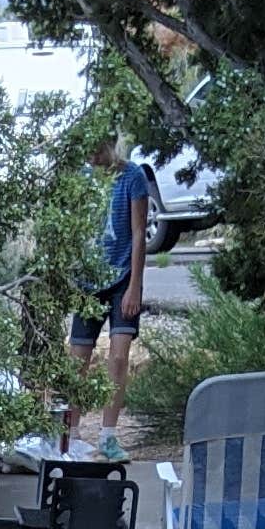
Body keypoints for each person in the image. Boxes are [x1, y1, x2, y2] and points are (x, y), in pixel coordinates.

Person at [61, 139, 155, 456]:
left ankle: (108, 435)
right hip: (89, 280)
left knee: (118, 356)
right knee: (78, 359)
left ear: (111, 145)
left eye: (99, 150)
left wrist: (135, 285)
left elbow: (140, 233)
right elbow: (73, 230)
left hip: (122, 277)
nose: (94, 157)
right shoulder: (83, 179)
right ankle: (70, 434)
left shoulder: (132, 176)